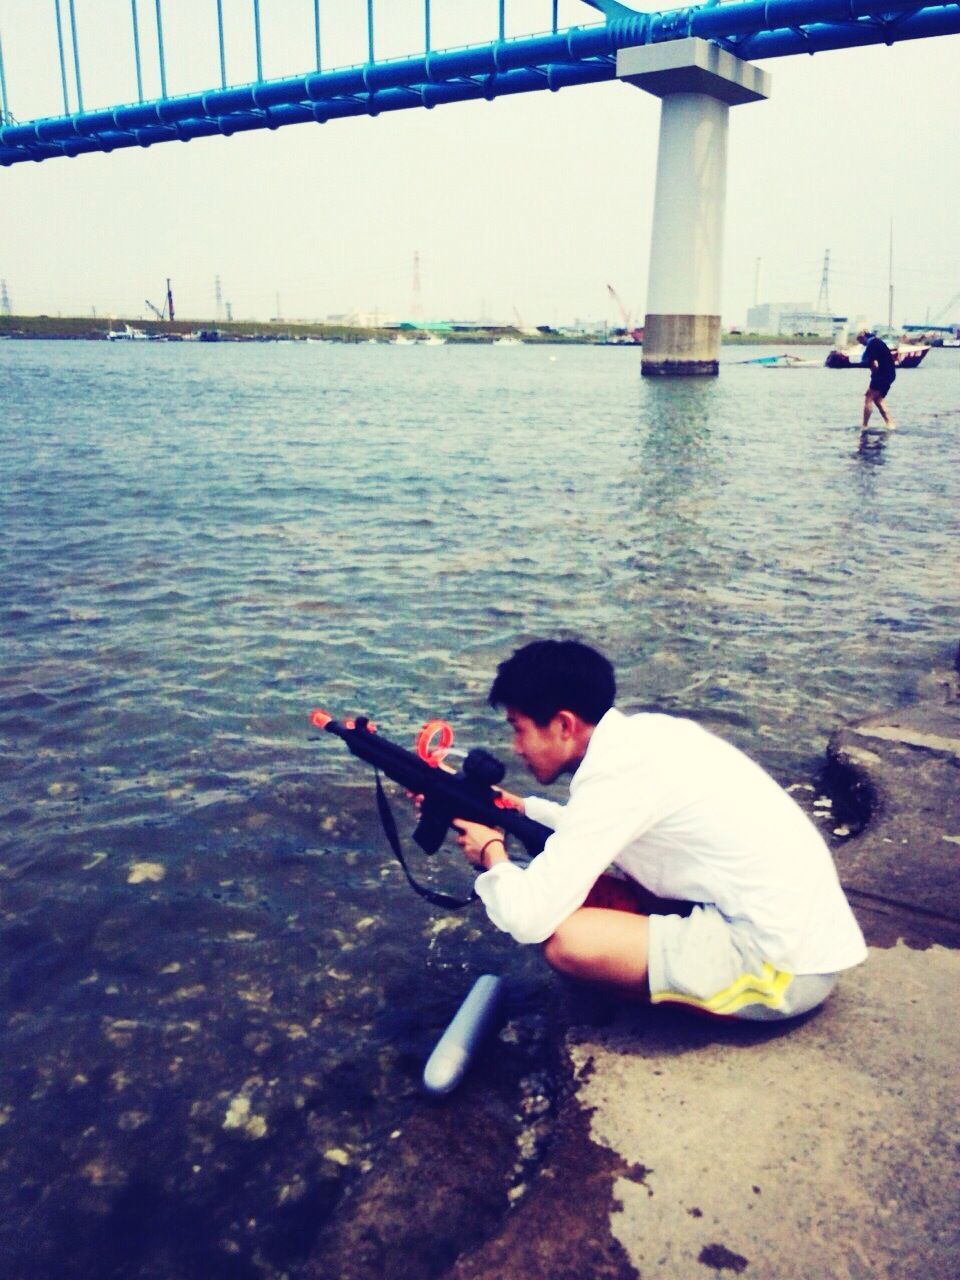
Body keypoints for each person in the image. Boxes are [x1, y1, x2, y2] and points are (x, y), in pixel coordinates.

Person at [452, 639, 867, 1022]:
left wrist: (492, 853)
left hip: (783, 972)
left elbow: (527, 919)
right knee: (584, 893)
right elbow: (589, 830)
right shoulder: (642, 739)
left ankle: (670, 1003)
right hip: (800, 944)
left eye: (518, 727)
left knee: (567, 939)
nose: (515, 746)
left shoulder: (616, 776)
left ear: (564, 725)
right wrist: (516, 808)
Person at [857, 328, 896, 432]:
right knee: (878, 399)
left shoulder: (871, 345)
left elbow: (873, 364)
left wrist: (875, 377)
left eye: (861, 341)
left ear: (864, 337)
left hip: (882, 374)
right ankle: (890, 424)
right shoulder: (878, 342)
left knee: (868, 396)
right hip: (890, 374)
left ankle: (864, 426)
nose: (862, 344)